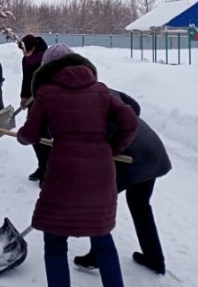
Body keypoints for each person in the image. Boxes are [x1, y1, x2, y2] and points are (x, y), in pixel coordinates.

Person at [17, 44, 139, 287]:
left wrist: (21, 135)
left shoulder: (46, 94)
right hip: (101, 175)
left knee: (55, 242)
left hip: (64, 175)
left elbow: (30, 135)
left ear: (47, 68)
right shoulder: (101, 90)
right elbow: (130, 120)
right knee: (102, 238)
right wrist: (110, 147)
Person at [73, 90, 171, 276]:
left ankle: (97, 256)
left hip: (134, 156)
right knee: (140, 204)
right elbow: (135, 106)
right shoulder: (103, 89)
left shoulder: (82, 104)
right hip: (151, 149)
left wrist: (113, 143)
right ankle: (154, 258)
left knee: (97, 203)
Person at [19, 34, 49, 181]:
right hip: (33, 101)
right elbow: (25, 79)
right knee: (34, 134)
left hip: (48, 102)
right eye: (23, 51)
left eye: (27, 50)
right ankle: (42, 166)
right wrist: (24, 96)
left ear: (34, 48)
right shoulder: (26, 60)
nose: (24, 54)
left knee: (46, 136)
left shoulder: (46, 59)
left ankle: (48, 170)